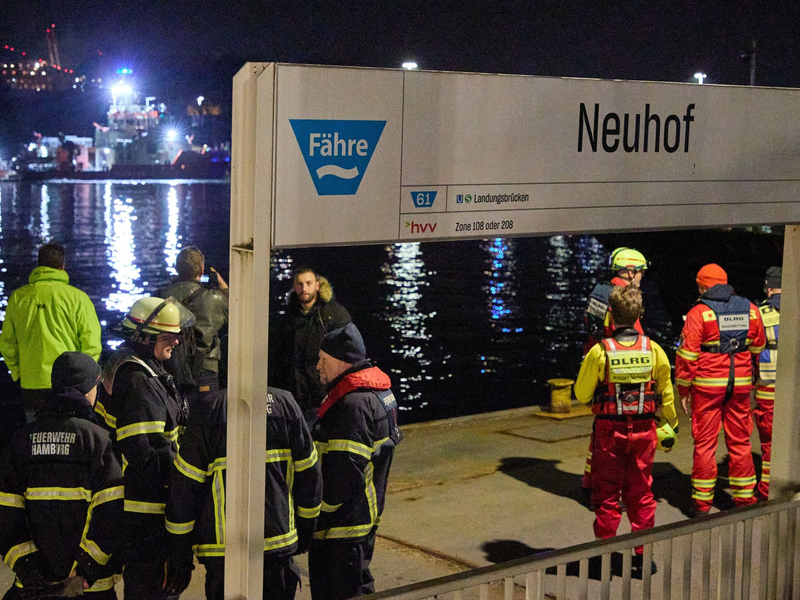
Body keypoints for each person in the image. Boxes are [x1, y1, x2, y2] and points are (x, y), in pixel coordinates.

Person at [164, 387, 322, 600]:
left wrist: (180, 556)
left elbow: (185, 489)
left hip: (224, 557)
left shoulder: (209, 409)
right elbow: (310, 477)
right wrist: (304, 533)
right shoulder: (286, 404)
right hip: (278, 550)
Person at [0, 352, 124, 599]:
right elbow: (111, 511)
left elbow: (6, 512)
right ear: (91, 388)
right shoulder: (99, 440)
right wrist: (87, 569)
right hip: (89, 588)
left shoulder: (21, 440)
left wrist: (28, 569)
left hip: (32, 587)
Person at [574, 285, 677, 575]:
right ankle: (642, 556)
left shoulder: (600, 352)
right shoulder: (654, 350)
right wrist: (671, 423)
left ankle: (605, 555)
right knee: (641, 493)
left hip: (610, 432)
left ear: (611, 314)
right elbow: (666, 394)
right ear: (638, 315)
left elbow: (581, 395)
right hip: (645, 431)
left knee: (606, 496)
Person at [99, 296, 193, 599]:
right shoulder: (138, 380)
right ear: (145, 336)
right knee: (153, 587)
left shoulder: (140, 367)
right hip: (148, 512)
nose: (176, 342)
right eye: (169, 336)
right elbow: (146, 453)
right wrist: (184, 487)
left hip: (146, 507)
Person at [310, 323, 402, 600]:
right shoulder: (379, 394)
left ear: (341, 362)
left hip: (342, 527)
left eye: (323, 359)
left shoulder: (352, 406)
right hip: (362, 520)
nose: (317, 366)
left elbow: (344, 472)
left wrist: (315, 512)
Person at [676, 264, 766, 514]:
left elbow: (688, 354)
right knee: (741, 442)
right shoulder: (750, 308)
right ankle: (745, 499)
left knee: (705, 444)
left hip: (707, 387)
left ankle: (702, 503)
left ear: (703, 286)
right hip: (740, 385)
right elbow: (758, 345)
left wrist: (683, 387)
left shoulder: (699, 311)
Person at [0, 242, 102, 422]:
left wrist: (18, 372)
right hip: (70, 384)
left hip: (32, 383)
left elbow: (7, 343)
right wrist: (84, 380)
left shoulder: (18, 297)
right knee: (72, 436)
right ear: (62, 266)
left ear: (39, 265)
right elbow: (91, 344)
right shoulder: (78, 298)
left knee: (36, 439)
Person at [581, 247, 648, 494]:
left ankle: (590, 482)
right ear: (630, 272)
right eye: (640, 272)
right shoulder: (623, 299)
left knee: (600, 432)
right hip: (618, 375)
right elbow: (635, 339)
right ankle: (609, 489)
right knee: (616, 439)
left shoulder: (599, 293)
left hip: (598, 366)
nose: (641, 278)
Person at [269, 268, 351, 422]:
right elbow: (278, 358)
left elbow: (350, 353)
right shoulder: (287, 318)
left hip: (323, 398)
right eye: (300, 284)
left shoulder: (334, 314)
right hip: (294, 399)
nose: (304, 288)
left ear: (317, 286)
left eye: (308, 283)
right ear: (294, 287)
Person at [156, 246, 229, 401]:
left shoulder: (161, 296)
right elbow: (237, 313)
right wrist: (222, 285)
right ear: (202, 270)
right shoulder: (215, 299)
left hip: (170, 368)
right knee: (206, 420)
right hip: (206, 370)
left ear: (176, 269)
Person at [755, 266, 781, 500]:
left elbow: (752, 348)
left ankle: (766, 491)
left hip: (767, 387)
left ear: (768, 287)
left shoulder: (760, 313)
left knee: (769, 443)